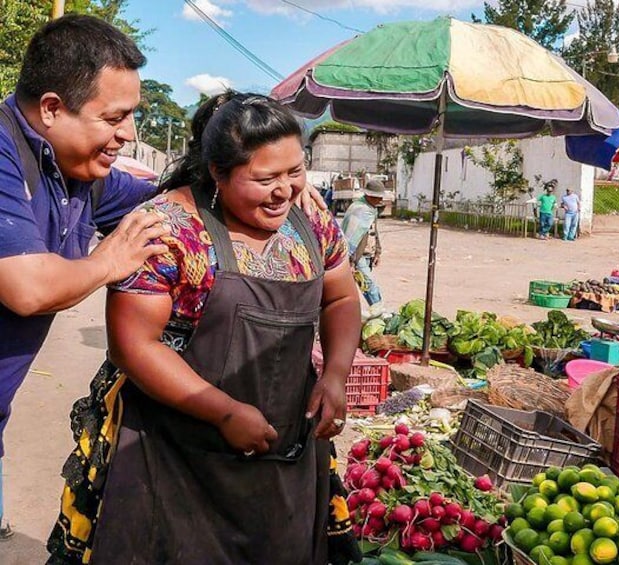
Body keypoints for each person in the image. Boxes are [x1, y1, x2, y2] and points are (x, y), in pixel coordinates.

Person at [0, 16, 325, 540]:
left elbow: (171, 200)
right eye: (115, 117)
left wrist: (273, 179)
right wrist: (109, 260)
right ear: (52, 109)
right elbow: (26, 289)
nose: (128, 134)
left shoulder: (81, 174)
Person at [47, 92, 361, 564]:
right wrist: (223, 412)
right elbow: (134, 347)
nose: (286, 191)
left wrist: (335, 374)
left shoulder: (310, 217)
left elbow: (340, 297)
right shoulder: (168, 229)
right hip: (174, 456)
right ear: (217, 171)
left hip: (284, 457)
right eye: (265, 178)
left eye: (295, 172)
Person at [342, 179, 385, 315]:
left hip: (367, 254)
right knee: (370, 287)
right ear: (369, 196)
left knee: (360, 287)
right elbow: (352, 238)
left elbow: (373, 231)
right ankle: (380, 314)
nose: (381, 199)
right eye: (378, 197)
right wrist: (351, 261)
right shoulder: (359, 209)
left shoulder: (371, 210)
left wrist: (377, 252)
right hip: (357, 256)